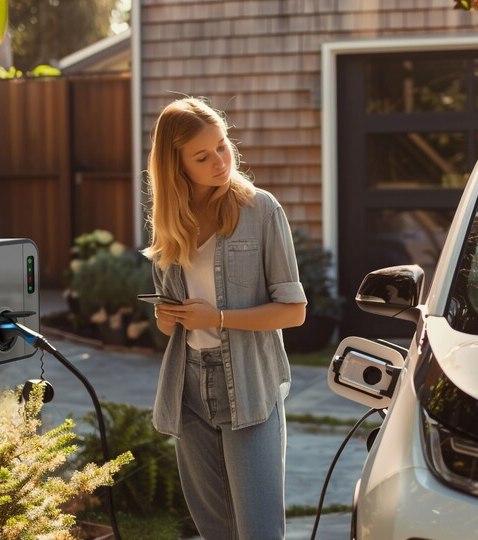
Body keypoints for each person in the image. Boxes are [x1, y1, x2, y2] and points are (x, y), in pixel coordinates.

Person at [142, 97, 307, 540]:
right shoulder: (169, 223)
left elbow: (293, 312)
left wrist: (216, 316)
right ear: (176, 167)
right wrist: (169, 316)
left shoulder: (261, 210)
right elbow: (168, 328)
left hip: (250, 385)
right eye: (203, 156)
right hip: (189, 387)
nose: (219, 160)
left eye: (222, 145)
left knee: (258, 531)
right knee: (215, 530)